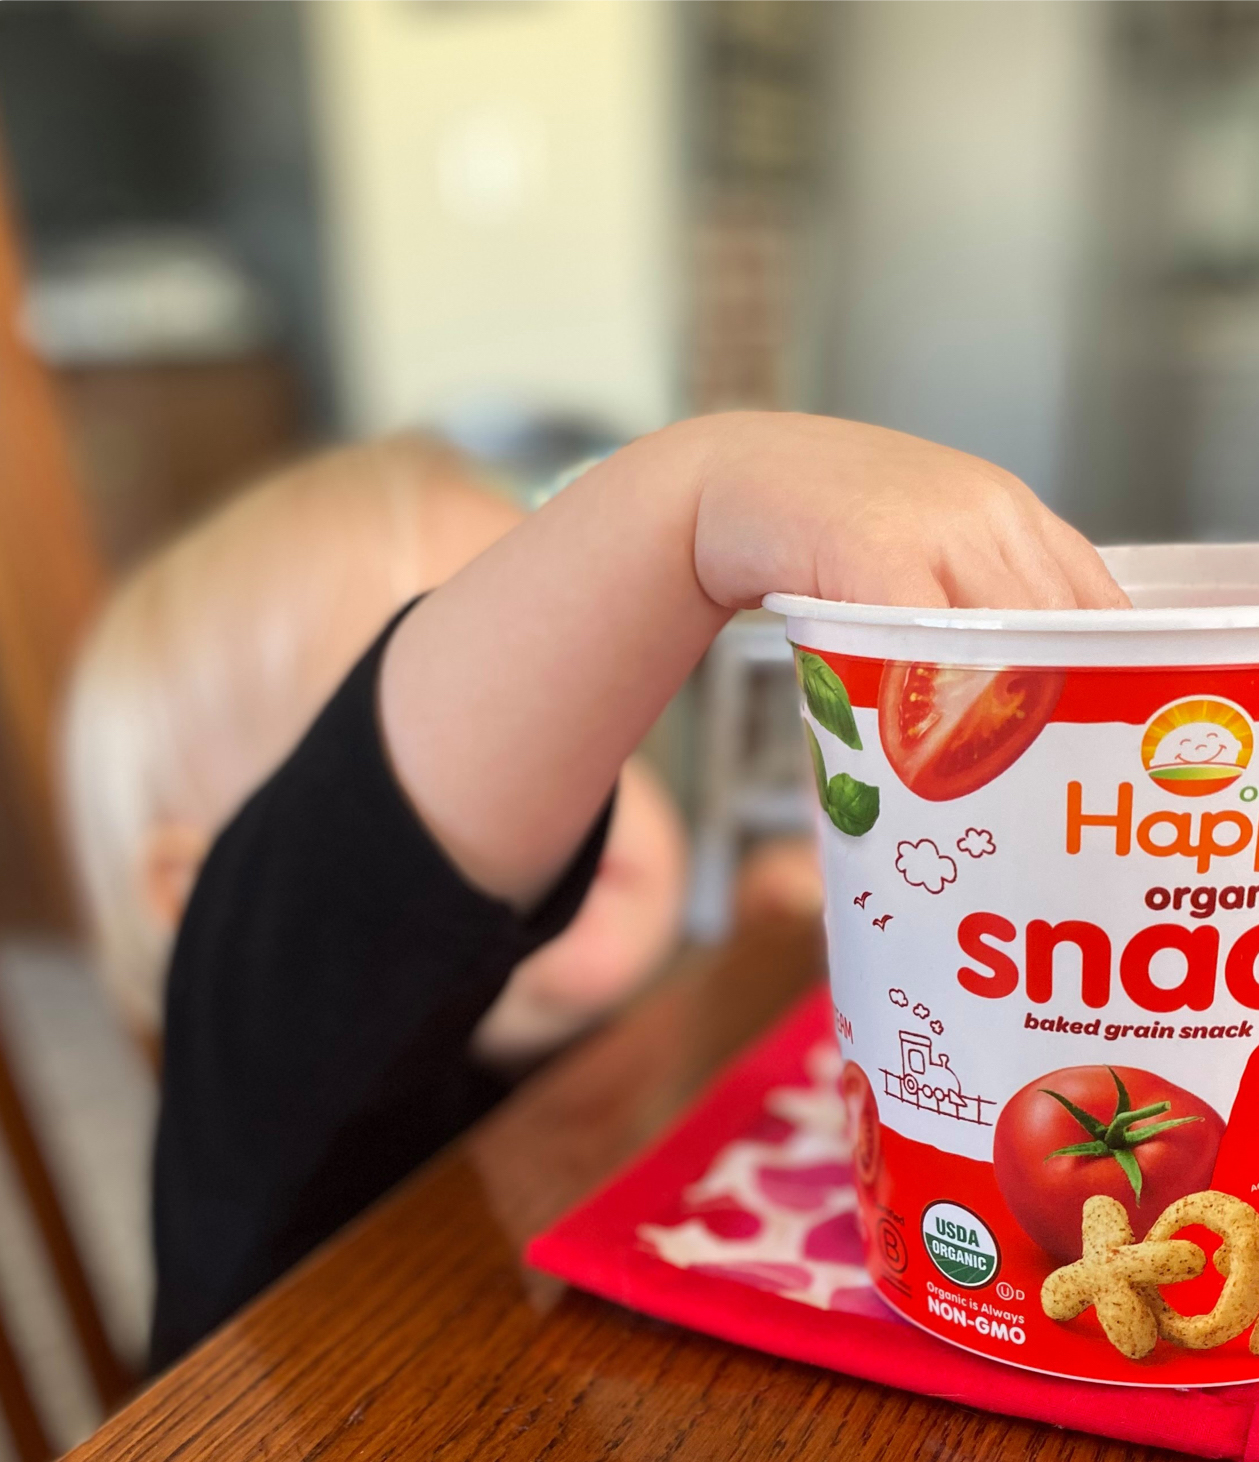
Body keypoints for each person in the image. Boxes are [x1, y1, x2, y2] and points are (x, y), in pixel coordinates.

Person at [65, 411, 1126, 1369]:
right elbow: (349, 888)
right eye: (508, 730)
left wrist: (758, 961)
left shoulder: (577, 1029)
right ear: (201, 897)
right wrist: (685, 507)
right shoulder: (256, 1090)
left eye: (596, 728)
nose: (582, 798)